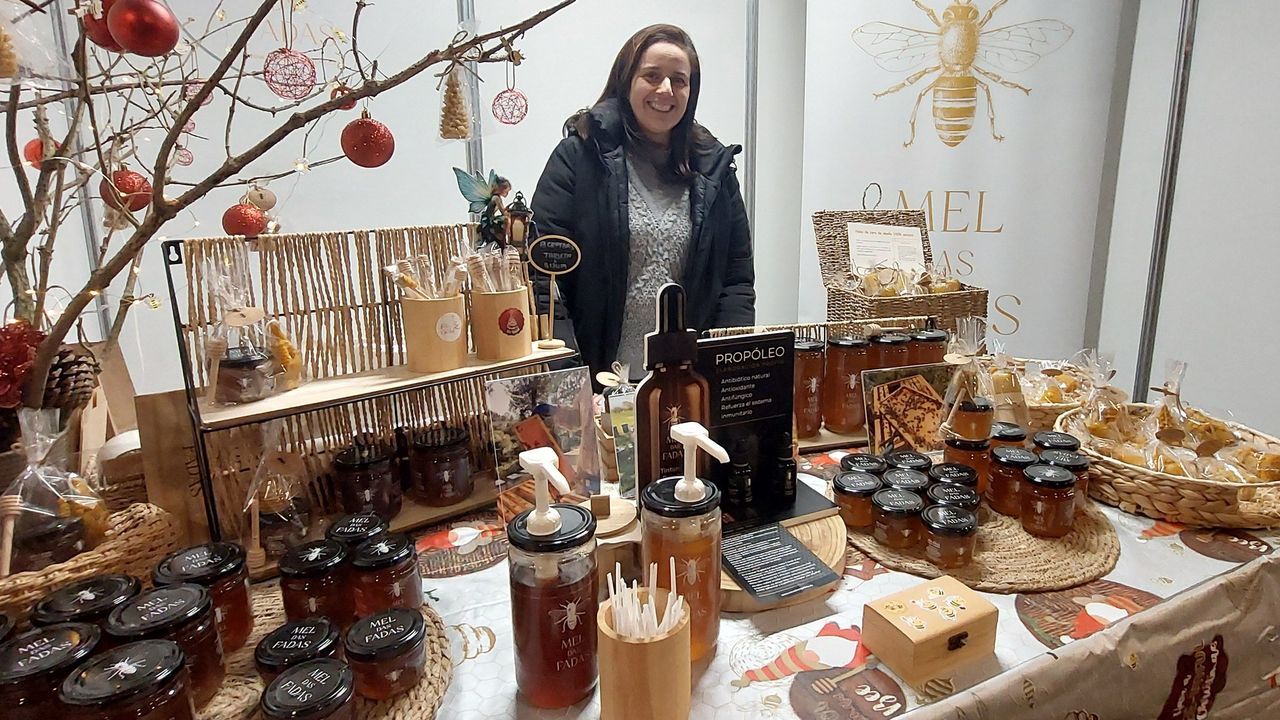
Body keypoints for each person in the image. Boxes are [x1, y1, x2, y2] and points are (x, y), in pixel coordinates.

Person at [531, 24, 755, 381]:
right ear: (626, 81)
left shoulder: (714, 169)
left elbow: (736, 282)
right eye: (652, 76)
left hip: (685, 386)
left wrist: (723, 375)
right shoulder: (579, 157)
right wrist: (569, 381)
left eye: (679, 80)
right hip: (595, 385)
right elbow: (544, 281)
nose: (666, 89)